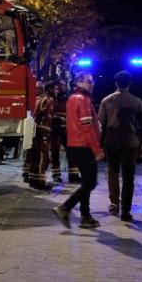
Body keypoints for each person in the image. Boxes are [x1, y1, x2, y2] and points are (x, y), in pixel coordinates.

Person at [98, 70, 142, 222]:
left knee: (113, 172)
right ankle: (126, 211)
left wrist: (98, 144)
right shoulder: (136, 101)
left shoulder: (106, 101)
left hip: (112, 142)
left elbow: (100, 124)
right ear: (130, 83)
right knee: (128, 177)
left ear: (116, 83)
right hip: (131, 143)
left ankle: (114, 203)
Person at [53, 71, 104, 229]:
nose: (91, 84)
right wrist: (97, 149)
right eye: (87, 81)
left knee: (86, 182)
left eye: (92, 80)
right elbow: (87, 127)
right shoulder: (83, 100)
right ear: (79, 83)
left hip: (75, 145)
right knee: (91, 183)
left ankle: (85, 216)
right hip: (85, 146)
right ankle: (65, 208)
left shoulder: (72, 98)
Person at [23, 81, 56, 190]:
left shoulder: (33, 99)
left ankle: (32, 178)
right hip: (44, 129)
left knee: (33, 154)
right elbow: (46, 114)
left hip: (33, 129)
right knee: (43, 155)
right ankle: (40, 180)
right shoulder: (48, 100)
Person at [50, 80, 71, 185]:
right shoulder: (52, 99)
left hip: (66, 129)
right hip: (55, 129)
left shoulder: (68, 99)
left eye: (64, 85)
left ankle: (73, 174)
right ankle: (56, 174)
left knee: (71, 151)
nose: (63, 87)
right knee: (55, 152)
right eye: (60, 86)